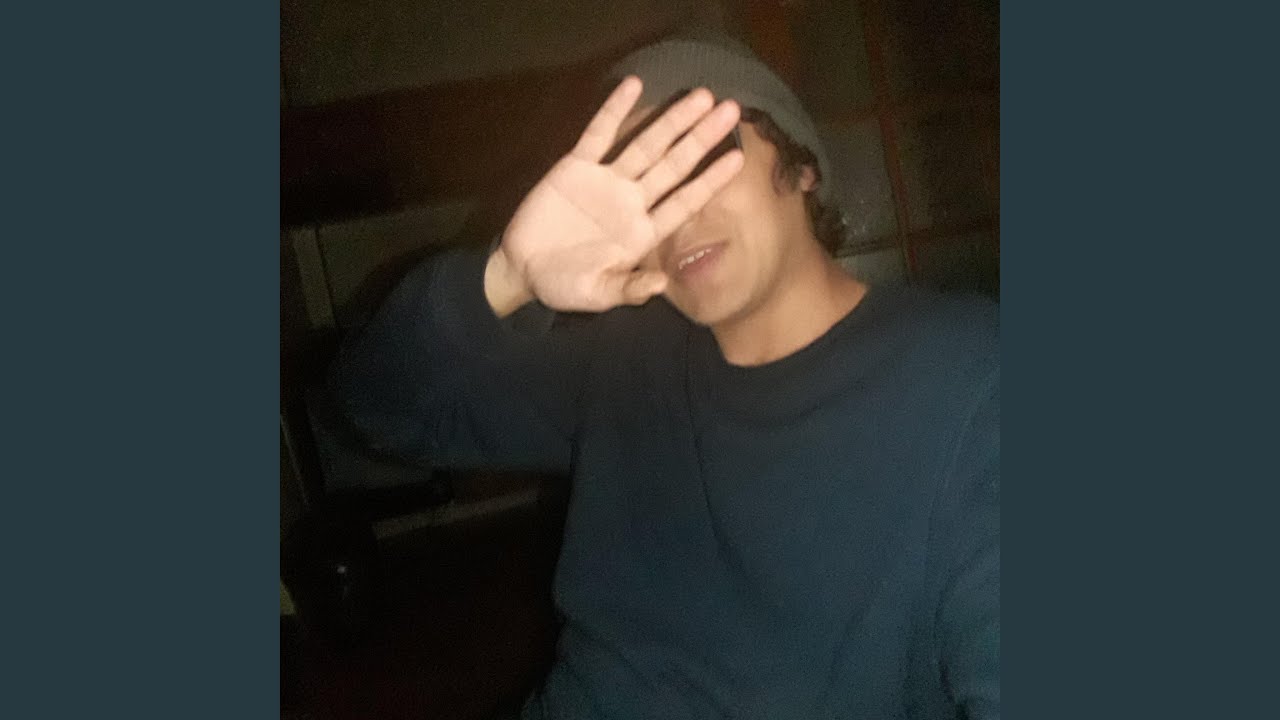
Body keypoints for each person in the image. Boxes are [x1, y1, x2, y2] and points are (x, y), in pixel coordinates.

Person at [331, 37, 999, 720]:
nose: (677, 215)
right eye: (642, 189)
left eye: (701, 159)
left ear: (799, 166)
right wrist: (506, 278)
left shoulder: (971, 381)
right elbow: (379, 409)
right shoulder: (624, 357)